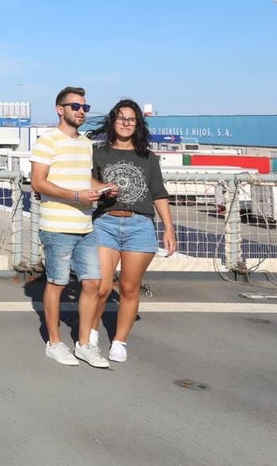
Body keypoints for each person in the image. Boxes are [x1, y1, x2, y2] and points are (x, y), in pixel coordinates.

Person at [88, 99, 178, 362]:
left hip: (139, 226)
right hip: (105, 223)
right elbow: (86, 179)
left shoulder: (148, 157)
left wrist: (169, 229)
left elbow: (158, 193)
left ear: (138, 124)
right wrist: (103, 188)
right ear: (112, 122)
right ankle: (91, 333)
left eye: (131, 119)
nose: (126, 123)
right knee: (101, 285)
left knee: (129, 288)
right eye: (121, 118)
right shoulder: (98, 153)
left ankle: (119, 341)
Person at [29, 86, 112, 368]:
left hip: (85, 225)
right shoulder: (47, 141)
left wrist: (103, 188)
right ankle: (54, 343)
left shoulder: (86, 143)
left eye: (84, 107)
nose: (81, 111)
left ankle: (84, 344)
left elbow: (84, 180)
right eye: (75, 106)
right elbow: (38, 182)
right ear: (59, 109)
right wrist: (76, 196)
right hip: (57, 226)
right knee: (57, 284)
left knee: (93, 283)